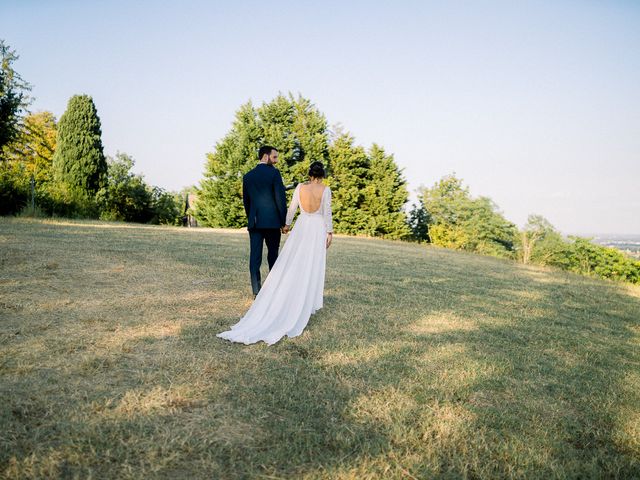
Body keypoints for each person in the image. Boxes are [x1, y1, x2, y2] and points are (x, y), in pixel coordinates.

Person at [217, 161, 333, 345]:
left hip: (302, 226)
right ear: (322, 175)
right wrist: (329, 232)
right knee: (311, 264)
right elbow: (327, 213)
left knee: (294, 262)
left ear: (309, 174)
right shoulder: (326, 190)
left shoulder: (300, 188)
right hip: (317, 227)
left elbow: (292, 208)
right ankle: (306, 300)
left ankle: (294, 294)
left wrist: (286, 224)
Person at [241, 145, 288, 298]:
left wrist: (252, 218)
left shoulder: (248, 176)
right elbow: (280, 200)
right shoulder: (274, 174)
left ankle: (256, 291)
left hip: (254, 223)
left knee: (255, 257)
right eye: (274, 157)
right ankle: (275, 289)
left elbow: (246, 202)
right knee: (273, 255)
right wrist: (283, 222)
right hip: (273, 222)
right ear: (266, 156)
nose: (276, 161)